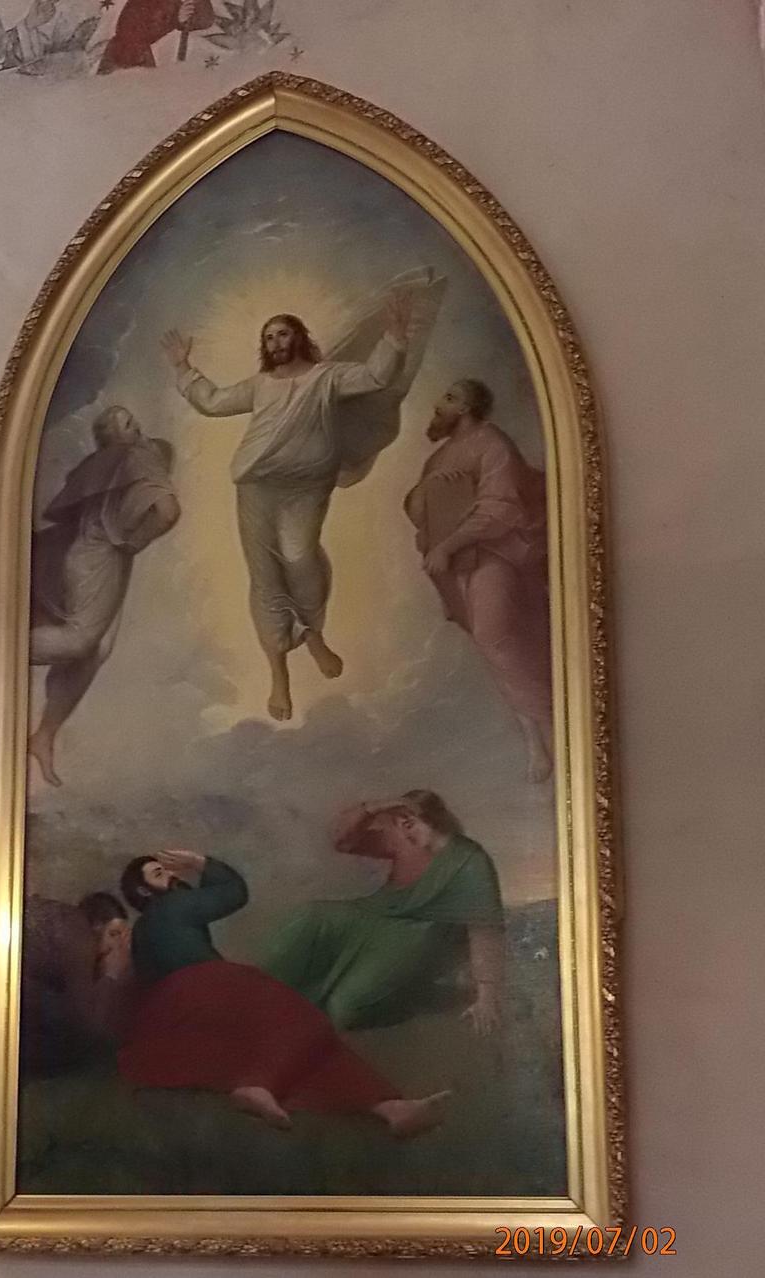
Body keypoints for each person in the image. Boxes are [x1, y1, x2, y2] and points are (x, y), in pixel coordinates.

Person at [161, 295, 412, 721]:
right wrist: (184, 367)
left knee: (300, 557)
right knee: (265, 577)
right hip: (257, 485)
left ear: (299, 337)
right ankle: (279, 674)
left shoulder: (327, 377)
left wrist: (394, 338)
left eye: (282, 333)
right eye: (269, 337)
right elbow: (215, 401)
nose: (276, 342)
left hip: (306, 487)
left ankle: (312, 632)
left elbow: (375, 377)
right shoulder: (260, 385)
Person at [111, 849, 450, 1136]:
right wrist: (199, 862)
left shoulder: (142, 932)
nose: (171, 874)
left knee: (279, 1045)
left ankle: (390, 1108)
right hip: (205, 984)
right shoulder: (172, 906)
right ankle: (260, 1086)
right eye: (159, 873)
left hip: (170, 1014)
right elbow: (234, 892)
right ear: (143, 892)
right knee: (305, 1023)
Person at [404, 380, 553, 781]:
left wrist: (449, 544)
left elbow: (499, 509)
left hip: (498, 554)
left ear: (467, 408)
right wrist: (427, 495)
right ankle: (534, 740)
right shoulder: (441, 457)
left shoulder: (493, 445)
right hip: (458, 565)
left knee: (496, 637)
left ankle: (557, 724)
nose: (439, 403)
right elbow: (421, 512)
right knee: (491, 648)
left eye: (450, 398)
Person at [262, 790, 505, 1036]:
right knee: (310, 918)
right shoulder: (404, 839)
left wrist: (487, 995)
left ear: (432, 820)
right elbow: (343, 841)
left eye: (409, 823)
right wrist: (375, 807)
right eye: (400, 823)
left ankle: (424, 995)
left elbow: (484, 929)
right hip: (372, 913)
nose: (405, 830)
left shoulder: (469, 860)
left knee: (346, 1007)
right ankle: (260, 1000)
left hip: (417, 933)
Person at [28, 404, 179, 786]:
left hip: (97, 555)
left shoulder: (109, 463)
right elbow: (168, 512)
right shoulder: (136, 457)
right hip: (98, 557)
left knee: (97, 650)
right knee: (80, 640)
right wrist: (137, 540)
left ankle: (44, 735)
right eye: (127, 423)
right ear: (114, 436)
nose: (137, 425)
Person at [19, 889, 136, 1076]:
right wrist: (112, 973)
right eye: (114, 934)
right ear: (97, 926)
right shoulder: (78, 935)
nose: (118, 946)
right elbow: (87, 1025)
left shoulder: (74, 930)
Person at [98, 0, 215, 72]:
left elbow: (204, 21)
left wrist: (199, 3)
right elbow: (131, 31)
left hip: (142, 59)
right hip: (126, 57)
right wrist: (176, 19)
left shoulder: (174, 3)